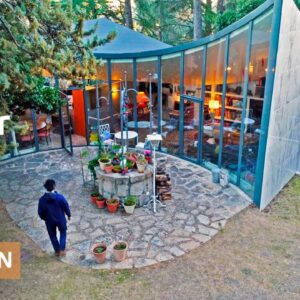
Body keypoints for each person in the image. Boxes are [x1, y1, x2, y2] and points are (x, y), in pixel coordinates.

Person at [38, 179, 71, 257]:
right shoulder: (60, 197)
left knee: (52, 235)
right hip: (60, 219)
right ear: (54, 186)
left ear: (45, 187)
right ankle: (62, 249)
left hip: (49, 221)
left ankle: (57, 251)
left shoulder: (42, 200)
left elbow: (40, 212)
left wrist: (44, 218)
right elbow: (66, 206)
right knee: (63, 232)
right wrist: (68, 214)